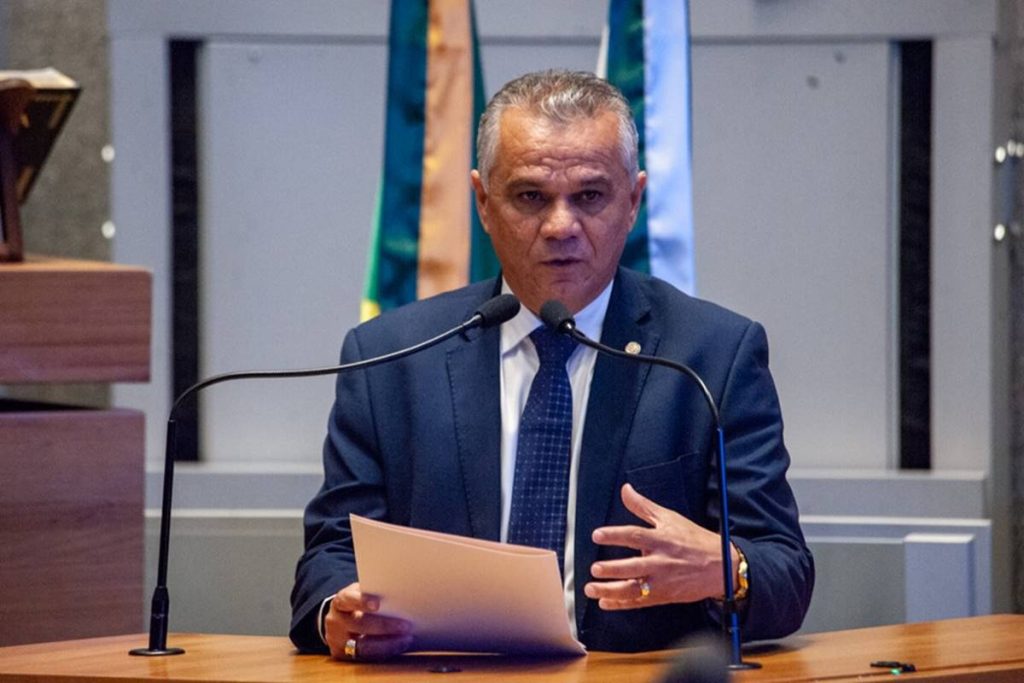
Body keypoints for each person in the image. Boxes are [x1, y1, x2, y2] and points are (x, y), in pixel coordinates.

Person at [290, 70, 813, 660]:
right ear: (483, 202)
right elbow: (329, 558)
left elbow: (784, 570)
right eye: (530, 197)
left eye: (590, 197)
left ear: (634, 201)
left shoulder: (711, 356)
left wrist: (724, 570)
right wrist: (339, 610)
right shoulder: (391, 356)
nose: (561, 226)